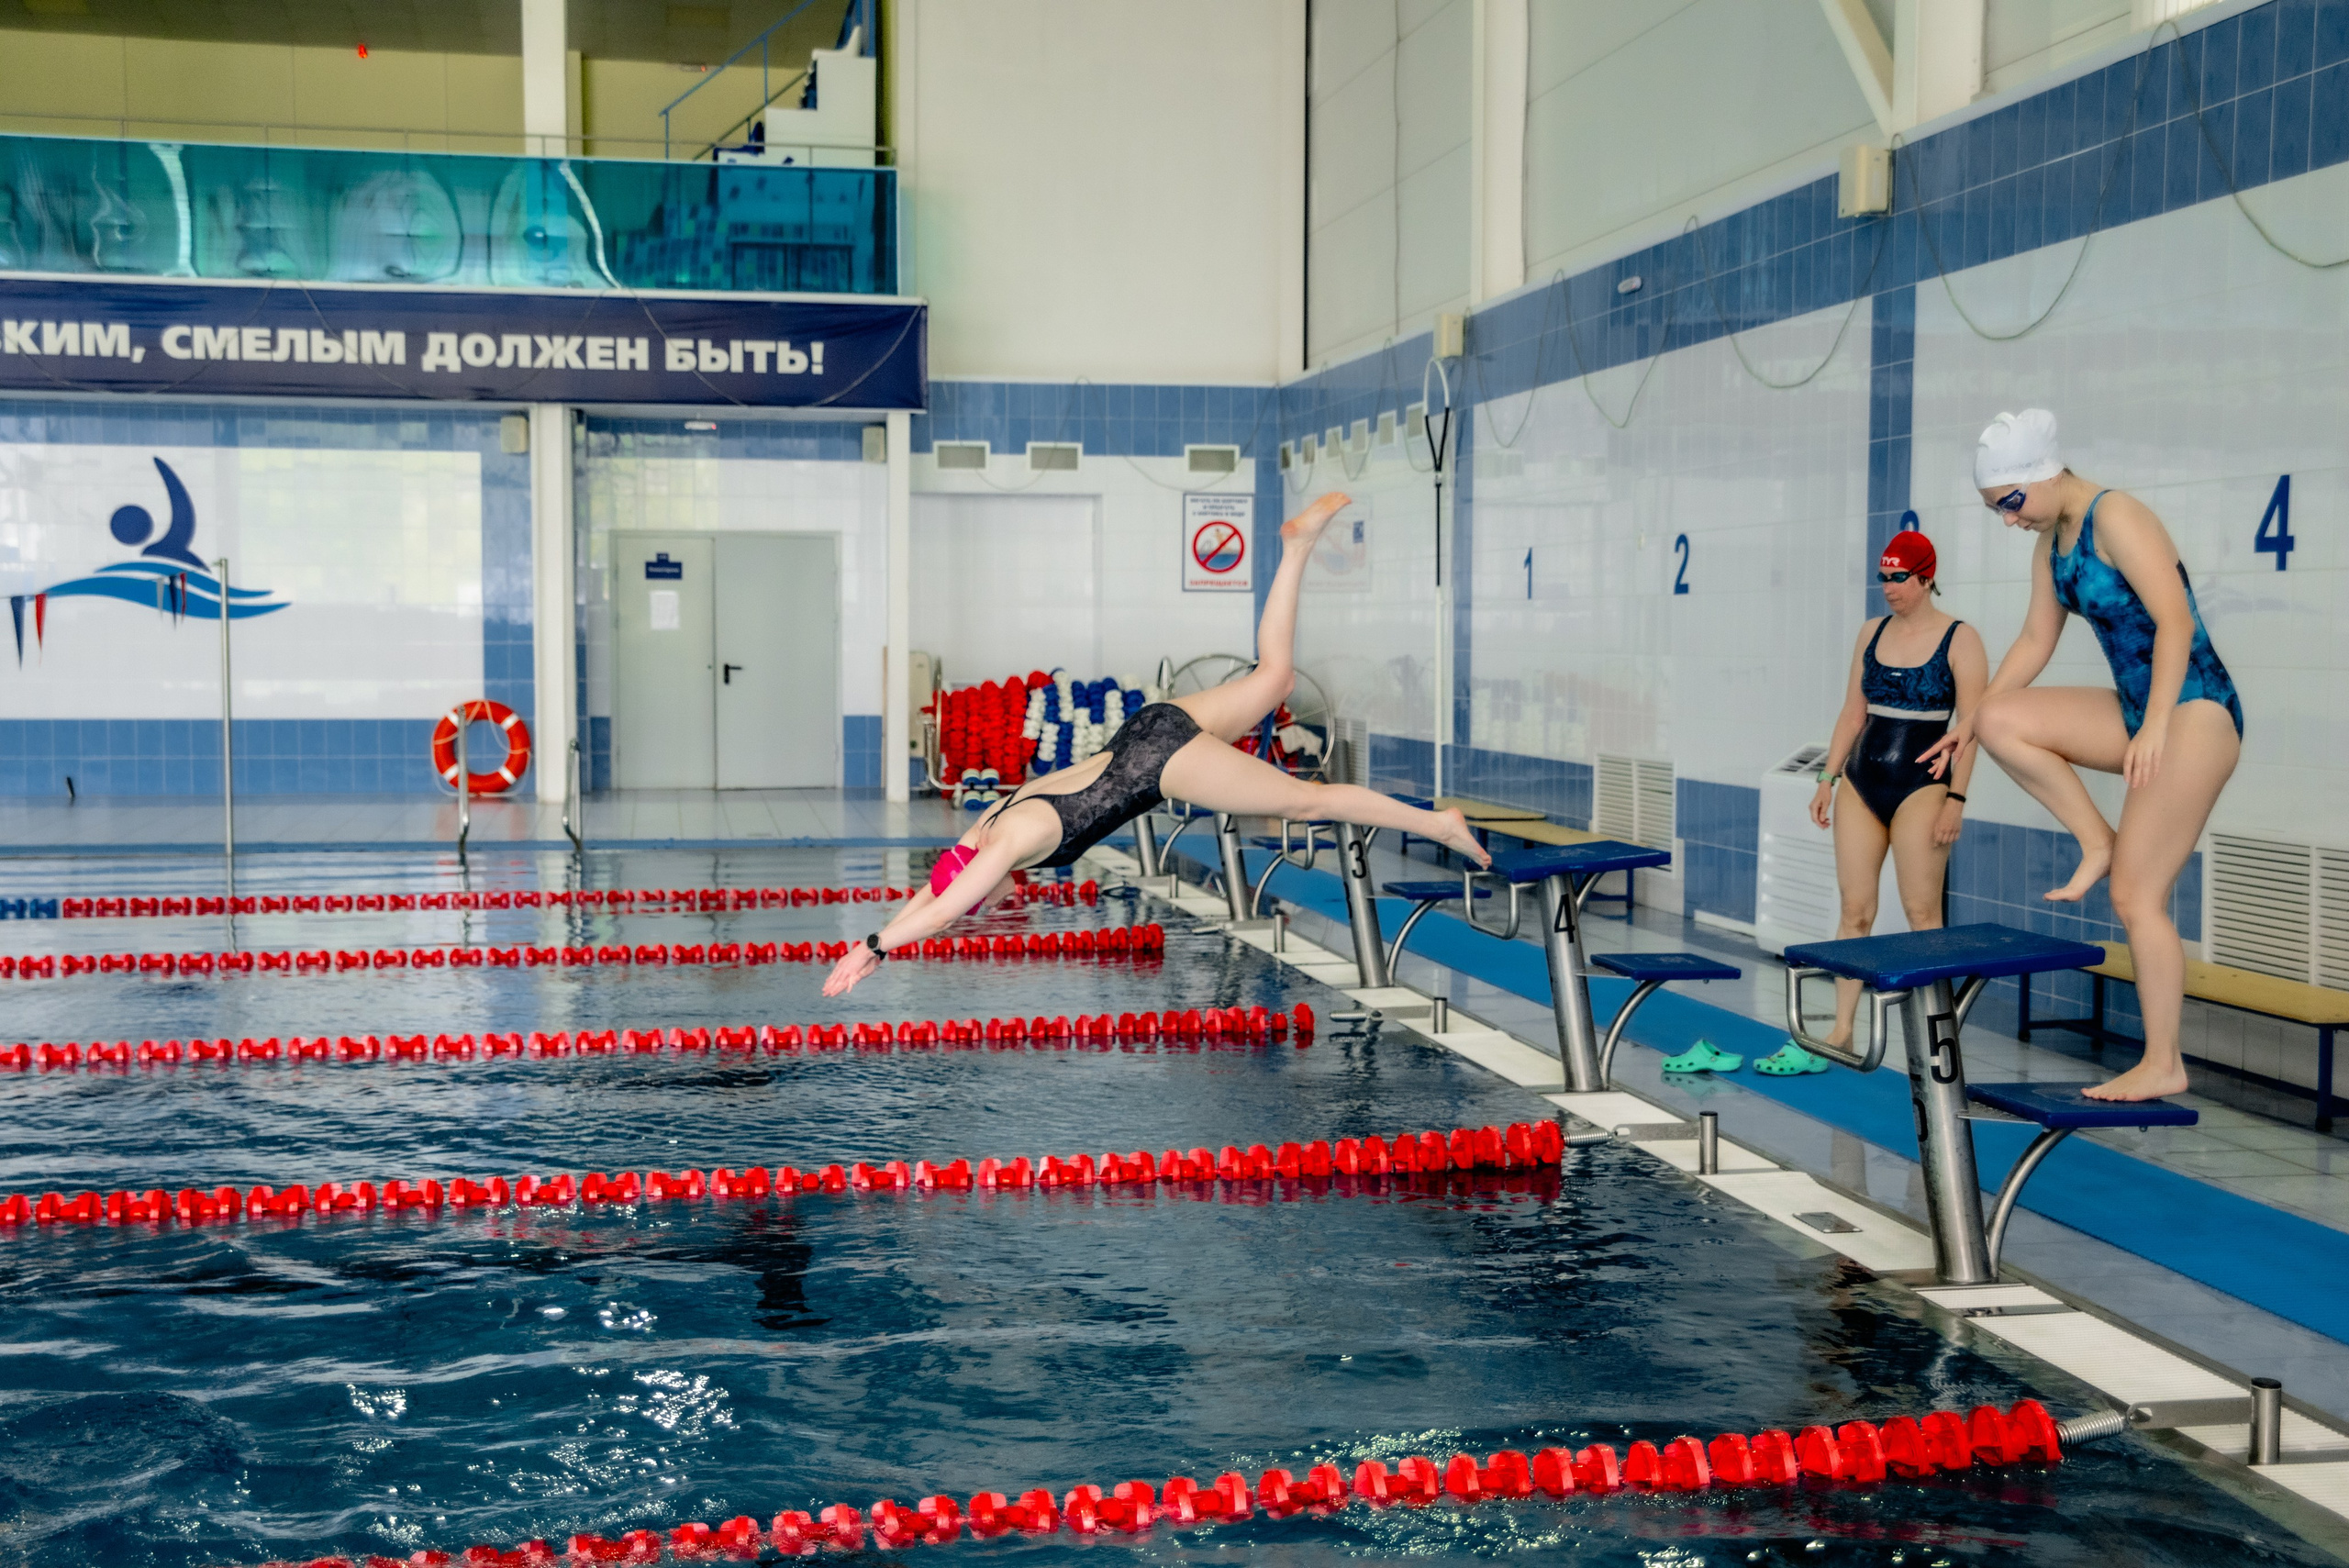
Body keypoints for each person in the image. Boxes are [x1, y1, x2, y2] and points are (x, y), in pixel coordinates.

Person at [823, 492, 1491, 997]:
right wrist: (887, 936)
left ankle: (1439, 822)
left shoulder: (1003, 847)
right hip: (1146, 727)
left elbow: (940, 908)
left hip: (1161, 763)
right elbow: (935, 894)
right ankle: (1294, 549)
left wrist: (871, 947)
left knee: (1308, 803)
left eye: (989, 898)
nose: (999, 902)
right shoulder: (984, 826)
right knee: (1274, 676)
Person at [1921, 410, 2242, 1102]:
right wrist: (1967, 723)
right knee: (2002, 717)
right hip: (2140, 706)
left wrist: (2156, 725)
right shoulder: (2053, 545)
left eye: (2010, 503)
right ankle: (2095, 836)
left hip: (2195, 705)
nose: (2009, 520)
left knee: (2136, 893)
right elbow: (2036, 642)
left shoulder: (2116, 514)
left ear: (2043, 472)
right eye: (1996, 510)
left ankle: (2164, 1061)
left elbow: (2177, 619)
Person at [1765, 528, 1987, 1074]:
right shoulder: (1871, 632)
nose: (1889, 588)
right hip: (1863, 782)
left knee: (1921, 912)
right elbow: (1852, 714)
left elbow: (1974, 727)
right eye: (1883, 578)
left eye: (1899, 579)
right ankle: (1842, 1027)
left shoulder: (1961, 639)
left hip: (1925, 785)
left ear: (1927, 577)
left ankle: (1939, 1035)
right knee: (1855, 910)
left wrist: (1957, 797)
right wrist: (1827, 778)